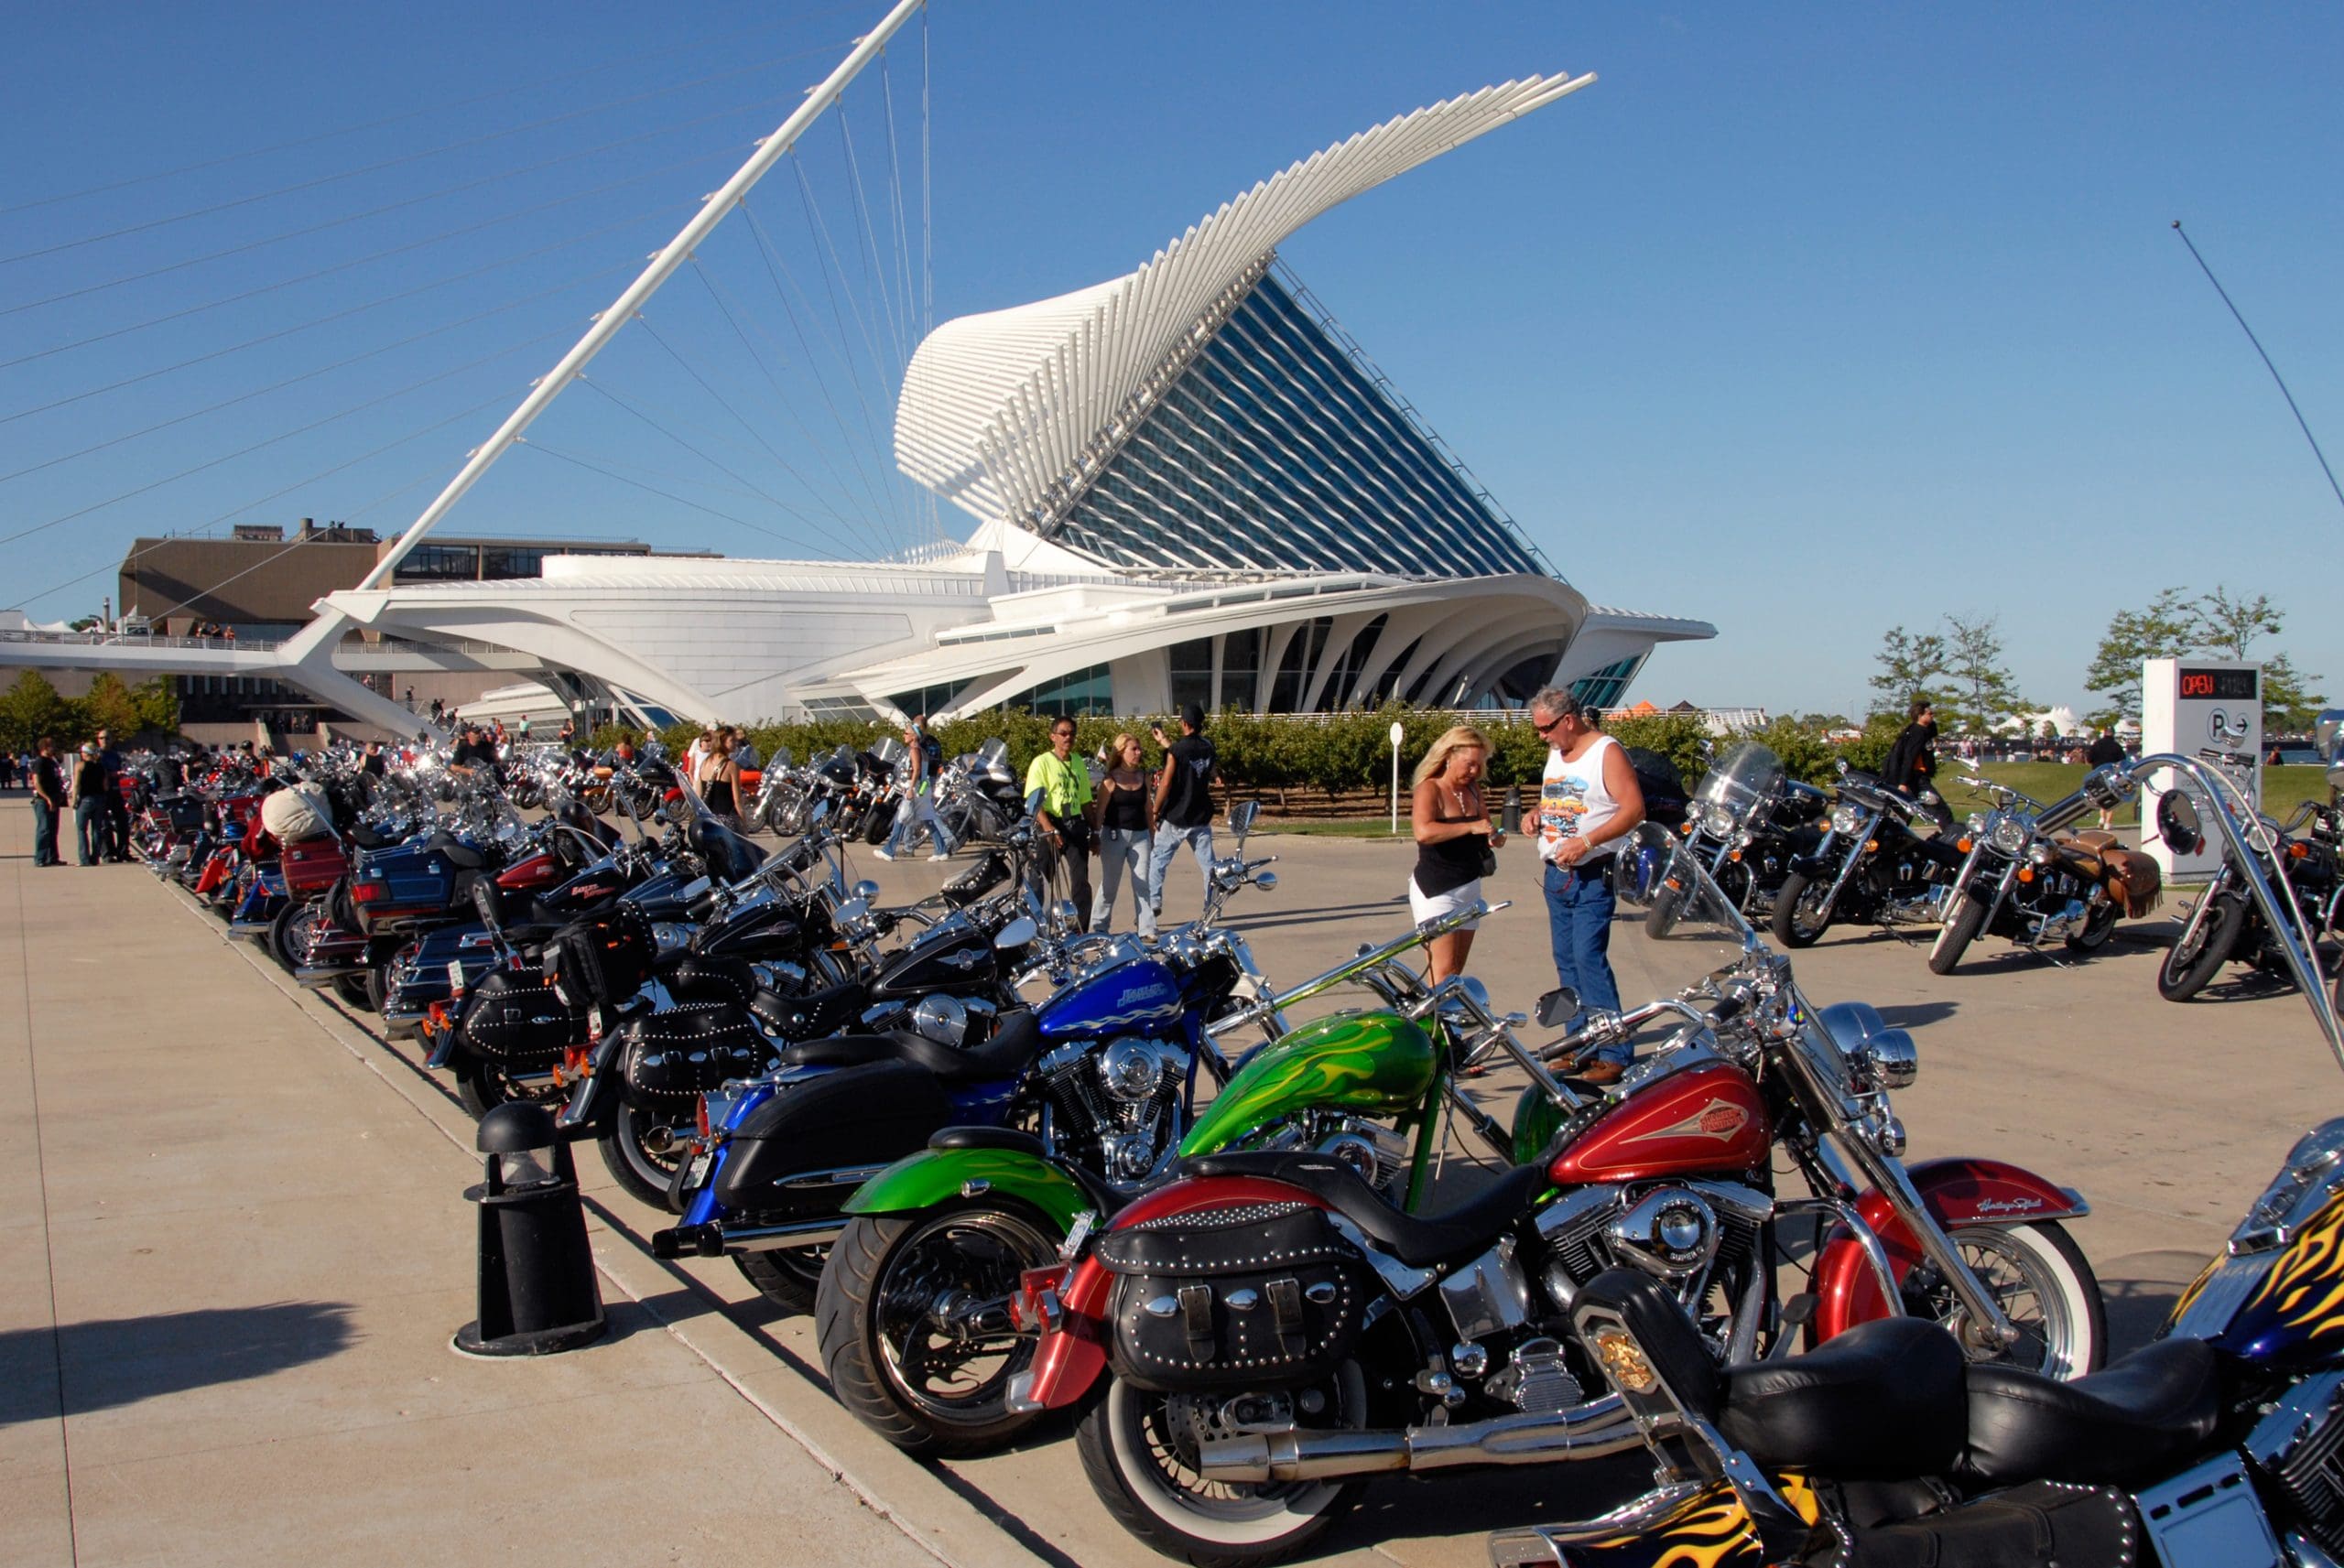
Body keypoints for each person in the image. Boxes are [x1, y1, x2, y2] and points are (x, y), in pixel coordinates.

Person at [1531, 688, 1645, 1085]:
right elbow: (1559, 800)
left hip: (1592, 873)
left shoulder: (1606, 752)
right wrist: (1535, 814)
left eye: (1546, 728)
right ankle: (1577, 1044)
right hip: (1557, 875)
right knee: (1566, 960)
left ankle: (1613, 1051)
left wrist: (1587, 841)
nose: (1541, 737)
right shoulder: (1556, 754)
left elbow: (1633, 808)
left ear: (1568, 720)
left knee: (1588, 958)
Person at [1410, 725, 1500, 984]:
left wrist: (1493, 836)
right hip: (1437, 890)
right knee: (1442, 972)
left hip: (1469, 886)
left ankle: (1447, 1021)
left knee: (1456, 971)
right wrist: (1470, 827)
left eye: (1479, 766)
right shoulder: (1430, 788)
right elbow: (1423, 832)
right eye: (1469, 764)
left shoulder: (1472, 789)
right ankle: (1433, 1023)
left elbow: (1484, 825)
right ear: (1449, 756)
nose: (1474, 771)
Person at [1148, 703, 1217, 922]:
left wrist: (1155, 810)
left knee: (1158, 860)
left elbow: (1166, 782)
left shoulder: (1178, 750)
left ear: (1184, 723)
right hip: (1200, 816)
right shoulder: (1208, 746)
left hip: (1177, 816)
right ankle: (1212, 906)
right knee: (1209, 866)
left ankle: (1154, 901)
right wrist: (1164, 741)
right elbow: (1193, 761)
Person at [1026, 717, 1095, 925]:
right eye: (1063, 733)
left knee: (1080, 880)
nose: (1068, 737)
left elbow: (1085, 801)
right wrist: (1048, 827)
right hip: (1050, 823)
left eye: (1072, 733)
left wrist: (1096, 832)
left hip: (1074, 824)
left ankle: (1080, 928)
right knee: (1042, 879)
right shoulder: (1042, 762)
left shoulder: (1078, 763)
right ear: (1053, 736)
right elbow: (1034, 801)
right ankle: (1037, 924)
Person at [1091, 732, 1156, 935]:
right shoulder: (1110, 780)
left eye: (1139, 748)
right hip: (1114, 836)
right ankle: (1098, 928)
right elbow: (1100, 811)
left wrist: (1152, 834)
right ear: (1121, 752)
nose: (1138, 752)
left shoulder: (1144, 777)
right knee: (1110, 885)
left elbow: (1148, 807)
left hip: (1140, 836)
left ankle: (1147, 929)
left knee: (1142, 883)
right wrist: (1095, 835)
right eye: (1133, 749)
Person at [876, 717, 950, 862]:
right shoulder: (922, 750)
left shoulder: (915, 750)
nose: (903, 735)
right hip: (923, 787)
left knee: (901, 818)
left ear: (914, 735)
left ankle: (889, 851)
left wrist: (910, 789)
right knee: (927, 819)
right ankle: (941, 850)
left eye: (906, 733)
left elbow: (916, 770)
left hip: (915, 787)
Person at [70, 741, 108, 867]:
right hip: (100, 798)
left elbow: (76, 784)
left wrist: (74, 799)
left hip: (86, 799)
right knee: (96, 830)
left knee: (81, 829)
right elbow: (105, 786)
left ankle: (84, 859)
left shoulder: (80, 766)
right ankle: (95, 858)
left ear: (86, 753)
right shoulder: (101, 766)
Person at [94, 727, 128, 860]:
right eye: (101, 738)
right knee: (104, 824)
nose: (104, 741)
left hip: (115, 791)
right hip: (102, 793)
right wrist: (112, 774)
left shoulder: (115, 755)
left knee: (123, 822)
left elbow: (121, 769)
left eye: (107, 738)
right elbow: (98, 773)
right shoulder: (97, 755)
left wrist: (120, 774)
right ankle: (107, 853)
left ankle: (123, 852)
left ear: (112, 739)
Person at [697, 729, 743, 827]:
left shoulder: (705, 763)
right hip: (725, 821)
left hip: (707, 819)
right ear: (722, 741)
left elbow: (699, 794)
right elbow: (737, 800)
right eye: (732, 740)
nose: (736, 743)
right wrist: (744, 823)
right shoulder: (731, 765)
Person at [29, 737, 63, 867]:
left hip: (54, 798)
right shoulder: (39, 762)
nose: (54, 748)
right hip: (42, 800)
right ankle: (40, 858)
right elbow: (36, 782)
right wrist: (47, 798)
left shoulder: (52, 762)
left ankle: (52, 857)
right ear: (44, 748)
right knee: (44, 829)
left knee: (53, 829)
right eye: (51, 746)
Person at [2085, 730, 2127, 828]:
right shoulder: (2116, 746)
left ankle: (2102, 817)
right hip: (2110, 773)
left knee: (2100, 795)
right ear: (2113, 734)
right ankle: (2108, 822)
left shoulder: (2096, 745)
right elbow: (2122, 760)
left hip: (2097, 773)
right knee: (2113, 796)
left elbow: (2089, 759)